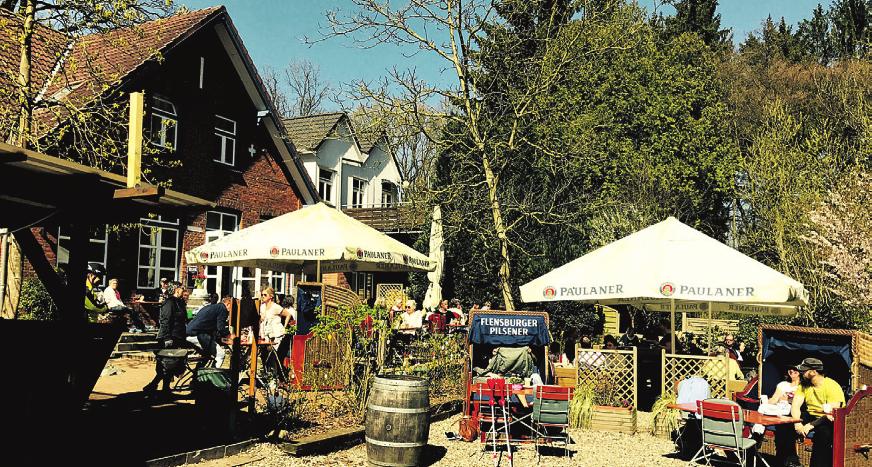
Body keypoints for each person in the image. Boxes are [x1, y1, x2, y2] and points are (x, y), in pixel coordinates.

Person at [785, 358, 845, 467]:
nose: (801, 373)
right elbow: (795, 405)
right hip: (811, 415)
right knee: (786, 423)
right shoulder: (804, 385)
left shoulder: (832, 386)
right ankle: (791, 460)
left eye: (804, 371)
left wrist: (810, 425)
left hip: (829, 419)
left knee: (823, 434)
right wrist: (797, 423)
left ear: (813, 372)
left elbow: (832, 413)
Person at [144, 282, 187, 392]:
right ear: (176, 289)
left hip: (178, 337)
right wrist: (167, 337)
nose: (184, 290)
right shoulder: (169, 302)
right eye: (182, 288)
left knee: (172, 364)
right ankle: (162, 388)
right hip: (169, 337)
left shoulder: (180, 302)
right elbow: (165, 320)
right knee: (167, 364)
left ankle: (155, 386)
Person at [185, 293, 230, 367]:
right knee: (220, 354)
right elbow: (221, 328)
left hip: (190, 332)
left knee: (207, 355)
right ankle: (213, 373)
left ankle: (199, 372)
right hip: (197, 334)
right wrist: (230, 336)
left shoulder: (210, 307)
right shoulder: (222, 309)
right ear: (228, 304)